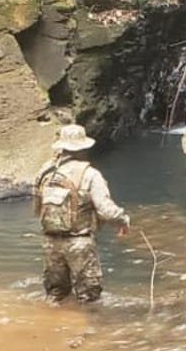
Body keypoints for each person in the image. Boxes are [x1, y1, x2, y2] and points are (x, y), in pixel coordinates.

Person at [34, 122, 130, 304]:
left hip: (50, 242)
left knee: (55, 294)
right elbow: (105, 209)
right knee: (89, 296)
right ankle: (87, 331)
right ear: (83, 148)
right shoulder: (90, 174)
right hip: (79, 243)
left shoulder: (45, 172)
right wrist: (123, 219)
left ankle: (50, 327)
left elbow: (37, 206)